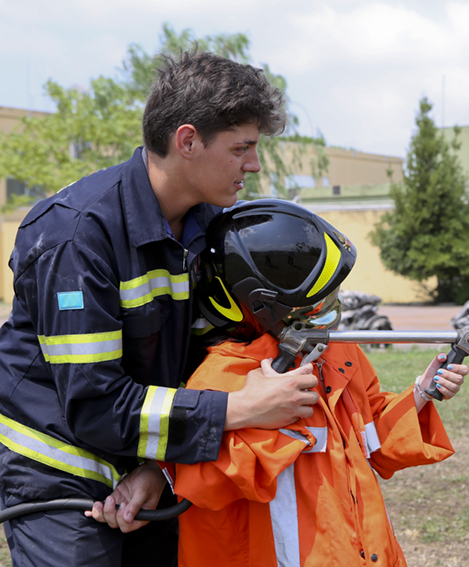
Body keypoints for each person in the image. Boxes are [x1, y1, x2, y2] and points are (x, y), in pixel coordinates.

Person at [0, 51, 322, 567]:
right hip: (57, 467)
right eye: (242, 148)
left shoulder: (210, 227)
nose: (255, 164)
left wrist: (156, 468)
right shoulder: (77, 236)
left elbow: (207, 356)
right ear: (187, 141)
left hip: (155, 455)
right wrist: (239, 410)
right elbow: (96, 406)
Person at [171, 199, 467, 567]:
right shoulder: (220, 384)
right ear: (265, 306)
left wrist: (421, 393)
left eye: (334, 292)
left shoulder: (336, 353)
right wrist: (257, 411)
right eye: (318, 301)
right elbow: (205, 487)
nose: (333, 307)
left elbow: (369, 440)